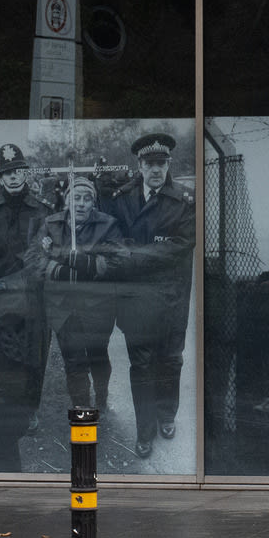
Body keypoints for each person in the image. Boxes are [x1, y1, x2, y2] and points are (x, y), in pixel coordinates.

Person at [104, 132, 195, 458]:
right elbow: (112, 239)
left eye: (161, 162)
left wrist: (137, 254)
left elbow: (181, 246)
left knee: (171, 360)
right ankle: (145, 432)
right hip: (137, 298)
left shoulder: (184, 201)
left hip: (171, 297)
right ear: (139, 164)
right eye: (149, 163)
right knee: (141, 366)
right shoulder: (122, 198)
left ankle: (167, 414)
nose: (156, 169)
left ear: (169, 163)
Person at [0, 143, 52, 463]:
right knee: (4, 355)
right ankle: (7, 410)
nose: (13, 178)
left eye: (17, 171)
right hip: (3, 300)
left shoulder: (43, 211)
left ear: (25, 173)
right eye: (6, 173)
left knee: (36, 356)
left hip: (36, 298)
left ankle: (30, 408)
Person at [33, 173, 121, 412]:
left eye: (86, 199)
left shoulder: (107, 224)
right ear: (67, 200)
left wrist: (84, 263)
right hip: (63, 306)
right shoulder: (52, 224)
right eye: (76, 198)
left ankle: (101, 395)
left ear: (93, 202)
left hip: (97, 306)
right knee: (74, 363)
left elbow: (117, 261)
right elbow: (35, 261)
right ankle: (83, 415)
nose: (81, 204)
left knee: (97, 355)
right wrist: (60, 270)